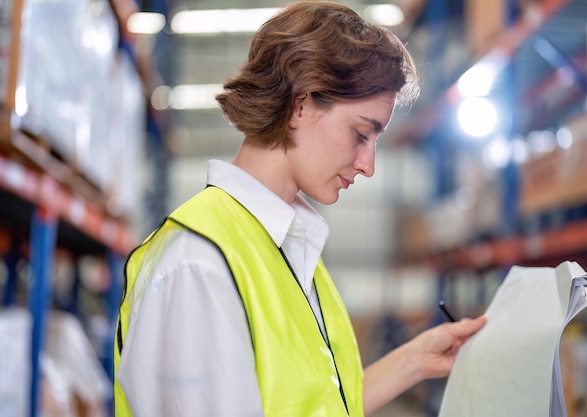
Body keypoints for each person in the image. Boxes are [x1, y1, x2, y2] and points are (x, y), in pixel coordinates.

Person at [113, 1, 487, 416]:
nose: (369, 165)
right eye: (361, 133)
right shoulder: (199, 265)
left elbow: (314, 405)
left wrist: (413, 360)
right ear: (302, 104)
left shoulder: (287, 247)